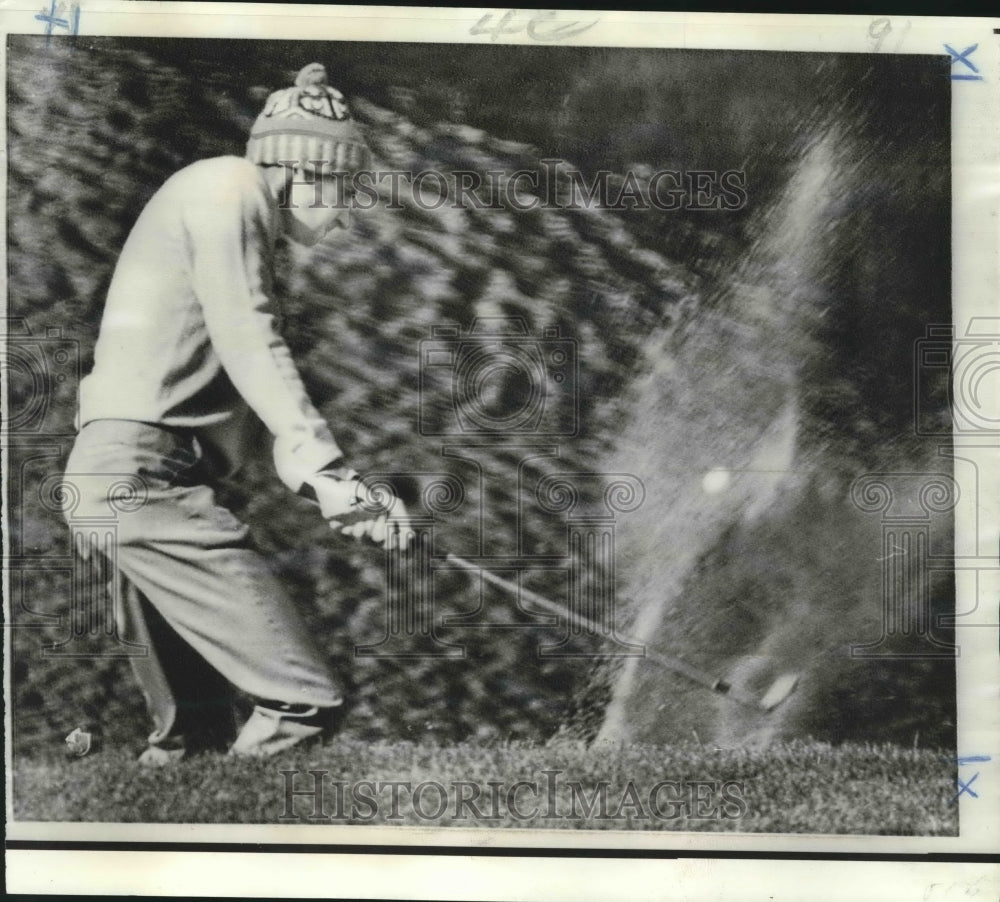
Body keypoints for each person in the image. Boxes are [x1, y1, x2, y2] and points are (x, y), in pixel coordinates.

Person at [62, 63, 410, 765]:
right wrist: (328, 464)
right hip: (143, 481)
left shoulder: (231, 223)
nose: (345, 215)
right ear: (301, 173)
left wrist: (348, 494)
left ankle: (176, 817)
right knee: (305, 702)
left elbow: (261, 399)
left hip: (112, 486)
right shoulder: (232, 189)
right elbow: (252, 341)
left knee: (192, 741)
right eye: (345, 191)